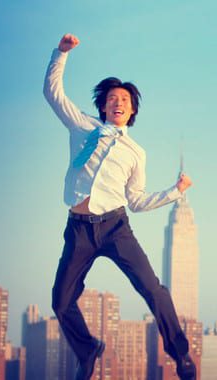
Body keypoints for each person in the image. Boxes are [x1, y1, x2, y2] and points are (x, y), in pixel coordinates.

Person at [43, 34, 196, 380]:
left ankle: (181, 356)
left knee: (153, 289)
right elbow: (53, 93)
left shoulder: (136, 153)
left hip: (115, 227)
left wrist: (176, 191)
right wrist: (61, 54)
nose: (118, 103)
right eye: (112, 99)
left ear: (132, 109)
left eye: (124, 100)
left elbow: (137, 200)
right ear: (103, 106)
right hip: (79, 229)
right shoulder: (82, 126)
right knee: (60, 301)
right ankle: (88, 350)